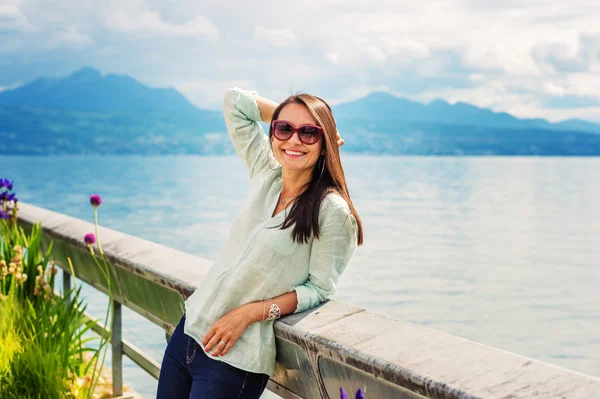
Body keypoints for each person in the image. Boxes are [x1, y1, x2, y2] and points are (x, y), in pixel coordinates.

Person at [157, 87, 364, 398]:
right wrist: (293, 116)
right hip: (188, 332)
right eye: (284, 129)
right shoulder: (266, 174)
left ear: (325, 146)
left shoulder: (332, 211)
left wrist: (252, 312)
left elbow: (319, 289)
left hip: (233, 360)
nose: (294, 140)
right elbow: (234, 102)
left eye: (309, 133)